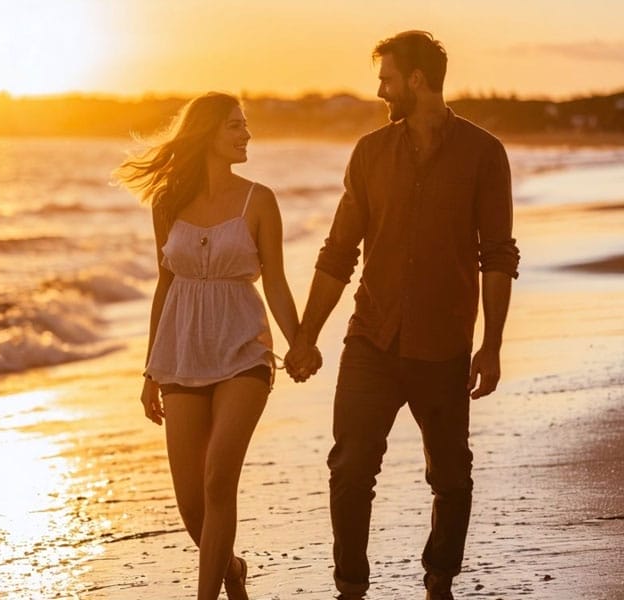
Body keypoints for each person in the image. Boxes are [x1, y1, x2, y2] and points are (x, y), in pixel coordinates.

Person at [285, 31, 520, 599]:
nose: (380, 89)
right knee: (349, 468)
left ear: (417, 80)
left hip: (442, 345)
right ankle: (351, 587)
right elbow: (340, 253)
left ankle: (439, 579)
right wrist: (305, 336)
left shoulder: (484, 154)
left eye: (388, 78)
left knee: (450, 474)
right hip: (372, 337)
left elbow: (497, 255)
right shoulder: (369, 154)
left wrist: (491, 344)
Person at [113, 92, 300, 600]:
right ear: (207, 134)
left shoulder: (259, 200)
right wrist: (151, 370)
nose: (246, 135)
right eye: (234, 127)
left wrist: (299, 342)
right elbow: (164, 284)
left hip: (244, 350)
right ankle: (231, 570)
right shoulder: (168, 202)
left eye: (246, 126)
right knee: (192, 505)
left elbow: (277, 282)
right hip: (180, 355)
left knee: (219, 479)